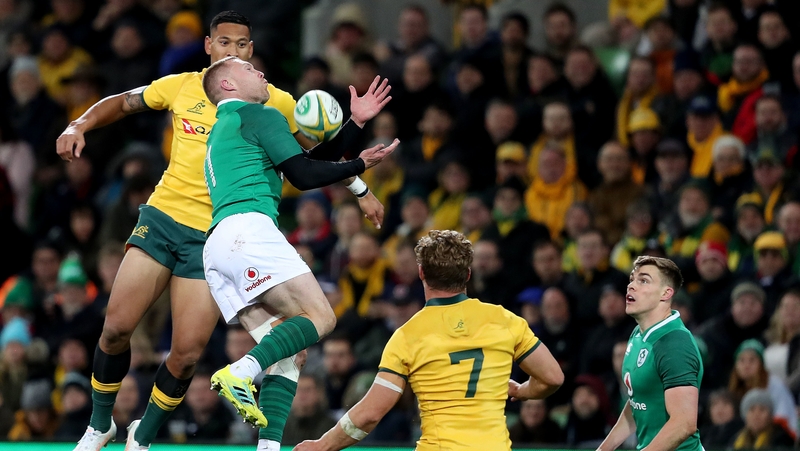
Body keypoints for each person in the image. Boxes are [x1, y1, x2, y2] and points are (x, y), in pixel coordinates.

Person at [55, 11, 387, 451]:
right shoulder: (181, 86)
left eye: (244, 45)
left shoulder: (272, 101)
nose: (235, 51)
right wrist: (78, 124)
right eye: (226, 43)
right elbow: (123, 101)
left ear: (251, 49)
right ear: (209, 45)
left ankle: (143, 436)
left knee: (188, 352)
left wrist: (360, 187)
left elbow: (309, 159)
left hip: (212, 237)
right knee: (116, 328)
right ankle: (100, 426)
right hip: (164, 217)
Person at [199, 55, 397, 428]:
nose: (260, 71)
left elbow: (305, 161)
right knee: (321, 317)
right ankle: (241, 370)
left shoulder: (229, 127)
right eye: (247, 69)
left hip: (217, 249)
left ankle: (270, 444)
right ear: (228, 85)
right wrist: (360, 167)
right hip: (249, 233)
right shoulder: (261, 115)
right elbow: (304, 177)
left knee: (290, 357)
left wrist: (356, 124)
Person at [292, 230, 564, 450]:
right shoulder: (504, 320)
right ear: (468, 274)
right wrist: (522, 391)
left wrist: (321, 446)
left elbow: (370, 413)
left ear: (421, 273)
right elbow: (553, 377)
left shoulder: (407, 335)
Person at [597, 256, 704, 451]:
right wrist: (604, 449)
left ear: (666, 293)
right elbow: (638, 401)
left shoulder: (674, 343)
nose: (631, 286)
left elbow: (684, 423)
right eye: (632, 279)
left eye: (643, 280)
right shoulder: (638, 333)